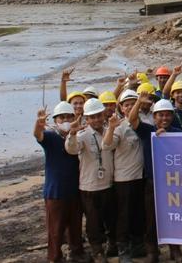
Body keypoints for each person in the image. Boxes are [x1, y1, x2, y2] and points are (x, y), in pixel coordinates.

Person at [128, 95, 182, 263]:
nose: (164, 118)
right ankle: (152, 251)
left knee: (173, 216)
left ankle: (175, 249)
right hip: (152, 182)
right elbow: (132, 118)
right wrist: (139, 102)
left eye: (167, 114)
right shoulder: (146, 131)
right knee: (151, 218)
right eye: (160, 114)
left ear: (172, 116)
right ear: (154, 116)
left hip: (173, 183)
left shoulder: (178, 133)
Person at [65, 98, 116, 262]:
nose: (96, 119)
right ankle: (97, 250)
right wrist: (72, 133)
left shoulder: (111, 130)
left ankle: (112, 245)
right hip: (89, 186)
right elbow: (72, 149)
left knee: (110, 217)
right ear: (86, 119)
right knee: (93, 222)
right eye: (92, 117)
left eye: (99, 115)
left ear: (103, 115)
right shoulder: (82, 134)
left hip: (109, 183)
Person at [35, 102, 86, 263]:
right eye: (61, 117)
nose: (65, 119)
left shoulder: (78, 135)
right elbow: (38, 135)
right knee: (56, 230)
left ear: (74, 118)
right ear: (55, 120)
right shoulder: (50, 136)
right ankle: (55, 257)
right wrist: (39, 123)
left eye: (68, 116)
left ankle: (77, 253)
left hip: (75, 189)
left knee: (76, 226)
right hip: (55, 191)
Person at [101, 90, 145, 263]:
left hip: (140, 176)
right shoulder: (118, 125)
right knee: (124, 216)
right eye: (126, 104)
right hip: (124, 179)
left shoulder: (144, 121)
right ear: (121, 107)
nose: (130, 107)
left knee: (138, 213)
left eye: (133, 103)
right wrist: (111, 128)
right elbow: (106, 145)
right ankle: (123, 249)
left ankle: (138, 245)